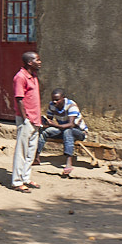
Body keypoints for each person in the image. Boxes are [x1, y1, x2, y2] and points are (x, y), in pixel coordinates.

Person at [38, 88, 88, 177]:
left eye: (57, 100)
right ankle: (36, 157)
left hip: (78, 132)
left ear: (63, 98)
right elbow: (49, 120)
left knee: (68, 131)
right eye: (53, 99)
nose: (54, 102)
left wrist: (55, 125)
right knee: (44, 132)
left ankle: (69, 162)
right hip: (62, 130)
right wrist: (44, 123)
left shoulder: (71, 105)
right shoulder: (52, 105)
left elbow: (71, 125)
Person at [11, 51, 42, 192]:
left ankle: (26, 178)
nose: (40, 62)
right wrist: (25, 119)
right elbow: (19, 99)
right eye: (37, 60)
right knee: (22, 151)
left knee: (31, 151)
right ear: (30, 62)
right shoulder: (20, 77)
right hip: (27, 119)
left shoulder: (33, 76)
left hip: (35, 119)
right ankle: (17, 182)